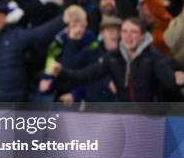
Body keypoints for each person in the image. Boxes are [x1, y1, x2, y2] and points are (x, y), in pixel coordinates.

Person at [49, 18, 184, 101]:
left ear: (143, 36)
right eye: (124, 31)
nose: (128, 36)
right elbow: (85, 75)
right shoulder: (113, 57)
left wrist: (176, 80)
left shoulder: (154, 56)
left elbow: (168, 78)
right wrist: (61, 72)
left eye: (133, 32)